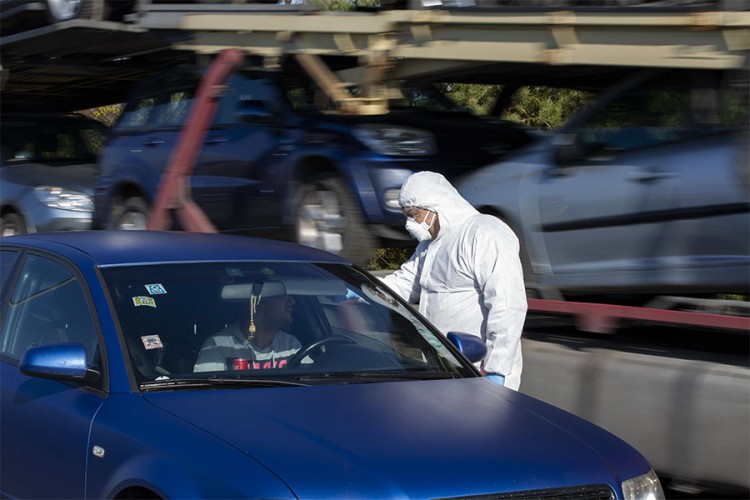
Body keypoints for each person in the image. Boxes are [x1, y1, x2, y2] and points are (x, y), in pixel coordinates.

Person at [382, 171, 527, 390]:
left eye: (414, 214)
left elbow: (507, 303)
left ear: (434, 205)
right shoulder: (428, 246)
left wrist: (497, 368)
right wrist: (361, 289)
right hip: (442, 368)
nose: (410, 223)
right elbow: (404, 283)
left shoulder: (485, 231)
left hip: (480, 370)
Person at [194, 284, 301, 372]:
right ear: (258, 306)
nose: (292, 301)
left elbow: (309, 383)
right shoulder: (218, 346)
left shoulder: (291, 345)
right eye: (282, 296)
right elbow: (210, 394)